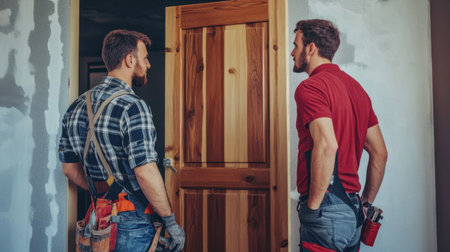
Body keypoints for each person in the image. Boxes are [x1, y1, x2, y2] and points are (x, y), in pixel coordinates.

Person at [59, 29, 185, 252]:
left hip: (96, 222)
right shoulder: (133, 106)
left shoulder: (75, 107)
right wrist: (171, 222)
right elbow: (144, 171)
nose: (148, 65)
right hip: (132, 228)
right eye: (145, 58)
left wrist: (106, 193)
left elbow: (69, 169)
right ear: (130, 60)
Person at [291, 19, 388, 251]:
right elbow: (380, 153)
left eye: (296, 45)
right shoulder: (357, 90)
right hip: (353, 211)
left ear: (311, 48)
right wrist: (365, 203)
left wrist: (314, 206)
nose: (292, 52)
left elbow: (327, 145)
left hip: (326, 210)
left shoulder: (311, 87)